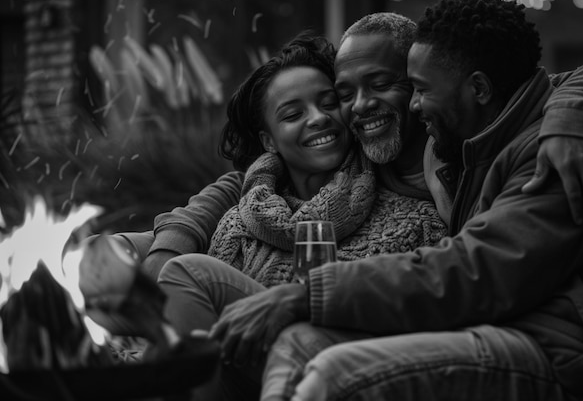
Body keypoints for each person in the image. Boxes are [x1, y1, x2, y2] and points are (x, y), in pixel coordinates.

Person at [242, 0, 583, 401]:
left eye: (418, 89)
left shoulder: (559, 152)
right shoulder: (460, 142)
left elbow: (480, 269)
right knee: (299, 341)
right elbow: (261, 174)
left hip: (556, 351)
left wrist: (313, 293)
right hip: (493, 325)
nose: (414, 104)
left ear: (477, 88)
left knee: (335, 373)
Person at [152, 31, 445, 400]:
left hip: (350, 374)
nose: (319, 118)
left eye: (329, 103)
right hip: (243, 379)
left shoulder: (411, 215)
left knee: (188, 272)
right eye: (293, 114)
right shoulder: (240, 222)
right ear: (269, 140)